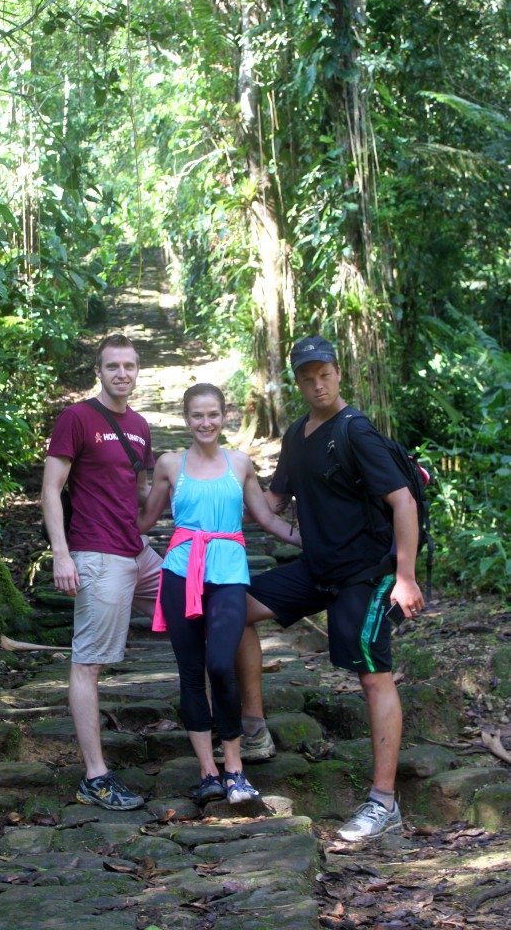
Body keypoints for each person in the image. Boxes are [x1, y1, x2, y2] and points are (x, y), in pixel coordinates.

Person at [236, 335, 424, 841]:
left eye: (325, 373)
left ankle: (383, 803)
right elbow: (272, 502)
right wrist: (227, 479)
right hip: (318, 567)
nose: (317, 383)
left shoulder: (355, 431)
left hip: (366, 573)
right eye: (307, 376)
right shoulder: (298, 434)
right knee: (232, 609)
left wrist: (404, 577)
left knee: (371, 673)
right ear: (297, 382)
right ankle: (252, 731)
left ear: (338, 373)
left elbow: (403, 503)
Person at [138, 383, 302, 805]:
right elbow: (144, 520)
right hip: (179, 572)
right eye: (197, 415)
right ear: (186, 419)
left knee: (220, 665)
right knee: (191, 672)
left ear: (225, 416)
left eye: (213, 415)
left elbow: (266, 518)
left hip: (228, 572)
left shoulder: (240, 463)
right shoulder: (170, 464)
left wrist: (317, 544)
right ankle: (208, 772)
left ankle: (235, 769)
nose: (205, 423)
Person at [42, 333, 162, 811]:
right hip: (96, 555)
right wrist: (62, 554)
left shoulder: (139, 425)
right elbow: (52, 490)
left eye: (129, 366)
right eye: (113, 366)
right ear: (100, 370)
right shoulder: (77, 418)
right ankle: (95, 777)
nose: (122, 374)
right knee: (88, 662)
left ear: (137, 371)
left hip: (138, 552)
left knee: (204, 603)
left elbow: (140, 496)